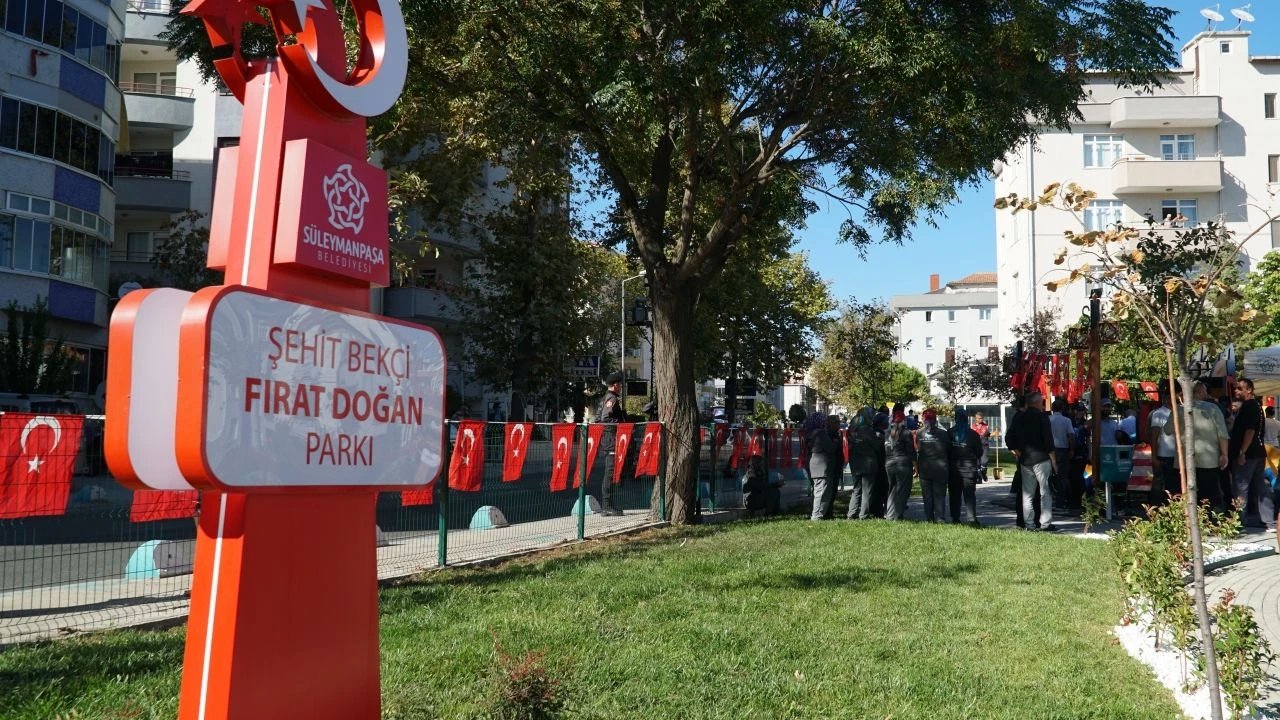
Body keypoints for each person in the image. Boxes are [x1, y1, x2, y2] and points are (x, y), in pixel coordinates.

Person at [1163, 382, 1228, 513]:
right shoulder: (1213, 409)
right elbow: (1222, 434)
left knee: (1185, 494)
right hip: (1209, 460)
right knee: (1210, 493)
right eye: (1204, 391)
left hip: (1184, 461)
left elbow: (1167, 430)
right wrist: (1224, 454)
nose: (1206, 393)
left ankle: (1188, 519)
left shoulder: (1179, 410)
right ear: (1197, 392)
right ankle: (1211, 521)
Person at [1008, 392, 1057, 531]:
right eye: (1041, 402)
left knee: (1027, 494)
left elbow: (1009, 438)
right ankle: (1045, 523)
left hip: (1025, 460)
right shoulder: (1042, 417)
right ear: (1037, 403)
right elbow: (1048, 440)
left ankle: (1029, 524)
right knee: (1045, 492)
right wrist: (1054, 461)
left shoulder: (1019, 417)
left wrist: (1017, 451)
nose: (1042, 404)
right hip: (1041, 458)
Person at [1228, 378, 1271, 528]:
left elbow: (1250, 431)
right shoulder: (1256, 406)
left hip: (1249, 454)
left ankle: (1239, 520)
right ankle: (1265, 518)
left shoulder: (1249, 406)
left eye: (1239, 388)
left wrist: (1242, 452)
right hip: (1258, 452)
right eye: (1236, 388)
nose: (1236, 391)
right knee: (1258, 487)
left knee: (1241, 487)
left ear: (1249, 390)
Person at [595, 371, 626, 516]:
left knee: (611, 472)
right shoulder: (611, 399)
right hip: (611, 439)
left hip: (609, 438)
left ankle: (608, 505)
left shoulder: (607, 398)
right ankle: (606, 505)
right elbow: (605, 419)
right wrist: (620, 423)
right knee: (610, 472)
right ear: (615, 385)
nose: (621, 387)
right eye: (620, 384)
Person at [846, 406, 884, 520]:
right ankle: (863, 515)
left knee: (856, 489)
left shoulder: (852, 431)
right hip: (868, 464)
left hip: (855, 464)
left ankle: (851, 513)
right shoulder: (867, 431)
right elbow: (876, 446)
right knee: (867, 491)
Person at [1146, 383, 1180, 507]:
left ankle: (1172, 510)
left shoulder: (1181, 411)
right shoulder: (1159, 413)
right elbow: (1154, 437)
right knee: (1159, 485)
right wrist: (1154, 457)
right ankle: (1155, 511)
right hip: (1164, 455)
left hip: (1177, 455)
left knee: (1174, 485)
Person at [948, 408, 984, 526]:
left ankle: (955, 518)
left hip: (954, 468)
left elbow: (946, 450)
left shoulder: (950, 432)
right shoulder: (973, 434)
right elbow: (979, 452)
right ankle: (972, 518)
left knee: (954, 494)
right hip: (969, 468)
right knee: (969, 495)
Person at [914, 408, 950, 523]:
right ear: (935, 419)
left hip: (925, 467)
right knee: (939, 494)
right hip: (940, 467)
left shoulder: (919, 433)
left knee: (927, 495)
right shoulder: (943, 434)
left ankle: (929, 517)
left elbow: (918, 448)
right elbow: (949, 449)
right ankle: (940, 517)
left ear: (924, 419)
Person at [806, 413, 844, 520]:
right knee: (821, 492)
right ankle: (817, 515)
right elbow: (830, 448)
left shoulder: (810, 433)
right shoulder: (821, 433)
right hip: (821, 466)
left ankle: (818, 514)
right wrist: (836, 443)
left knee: (818, 491)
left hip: (814, 465)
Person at [883, 407, 917, 520]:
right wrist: (916, 468)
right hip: (903, 464)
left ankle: (889, 514)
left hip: (889, 464)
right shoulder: (906, 433)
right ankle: (897, 515)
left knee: (891, 490)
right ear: (903, 421)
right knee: (903, 490)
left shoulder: (886, 432)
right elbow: (911, 452)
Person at [1048, 399, 1075, 505]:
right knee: (1062, 475)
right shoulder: (1066, 421)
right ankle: (1061, 499)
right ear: (1062, 408)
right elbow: (1071, 435)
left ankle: (1050, 497)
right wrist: (1072, 449)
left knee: (1049, 475)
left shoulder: (1048, 419)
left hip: (1049, 450)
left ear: (1052, 409)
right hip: (1063, 449)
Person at [972, 411, 991, 480]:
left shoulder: (985, 426)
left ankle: (983, 472)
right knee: (977, 462)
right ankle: (979, 478)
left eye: (981, 418)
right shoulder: (972, 426)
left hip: (984, 446)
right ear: (976, 418)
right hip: (976, 446)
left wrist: (994, 434)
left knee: (984, 461)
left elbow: (988, 434)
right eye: (978, 418)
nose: (980, 420)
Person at [1264, 406, 1280, 476]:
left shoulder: (1263, 422)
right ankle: (1274, 482)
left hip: (1265, 445)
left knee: (1266, 466)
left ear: (1266, 412)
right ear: (1273, 413)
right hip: (1275, 445)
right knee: (1275, 466)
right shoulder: (1278, 423)